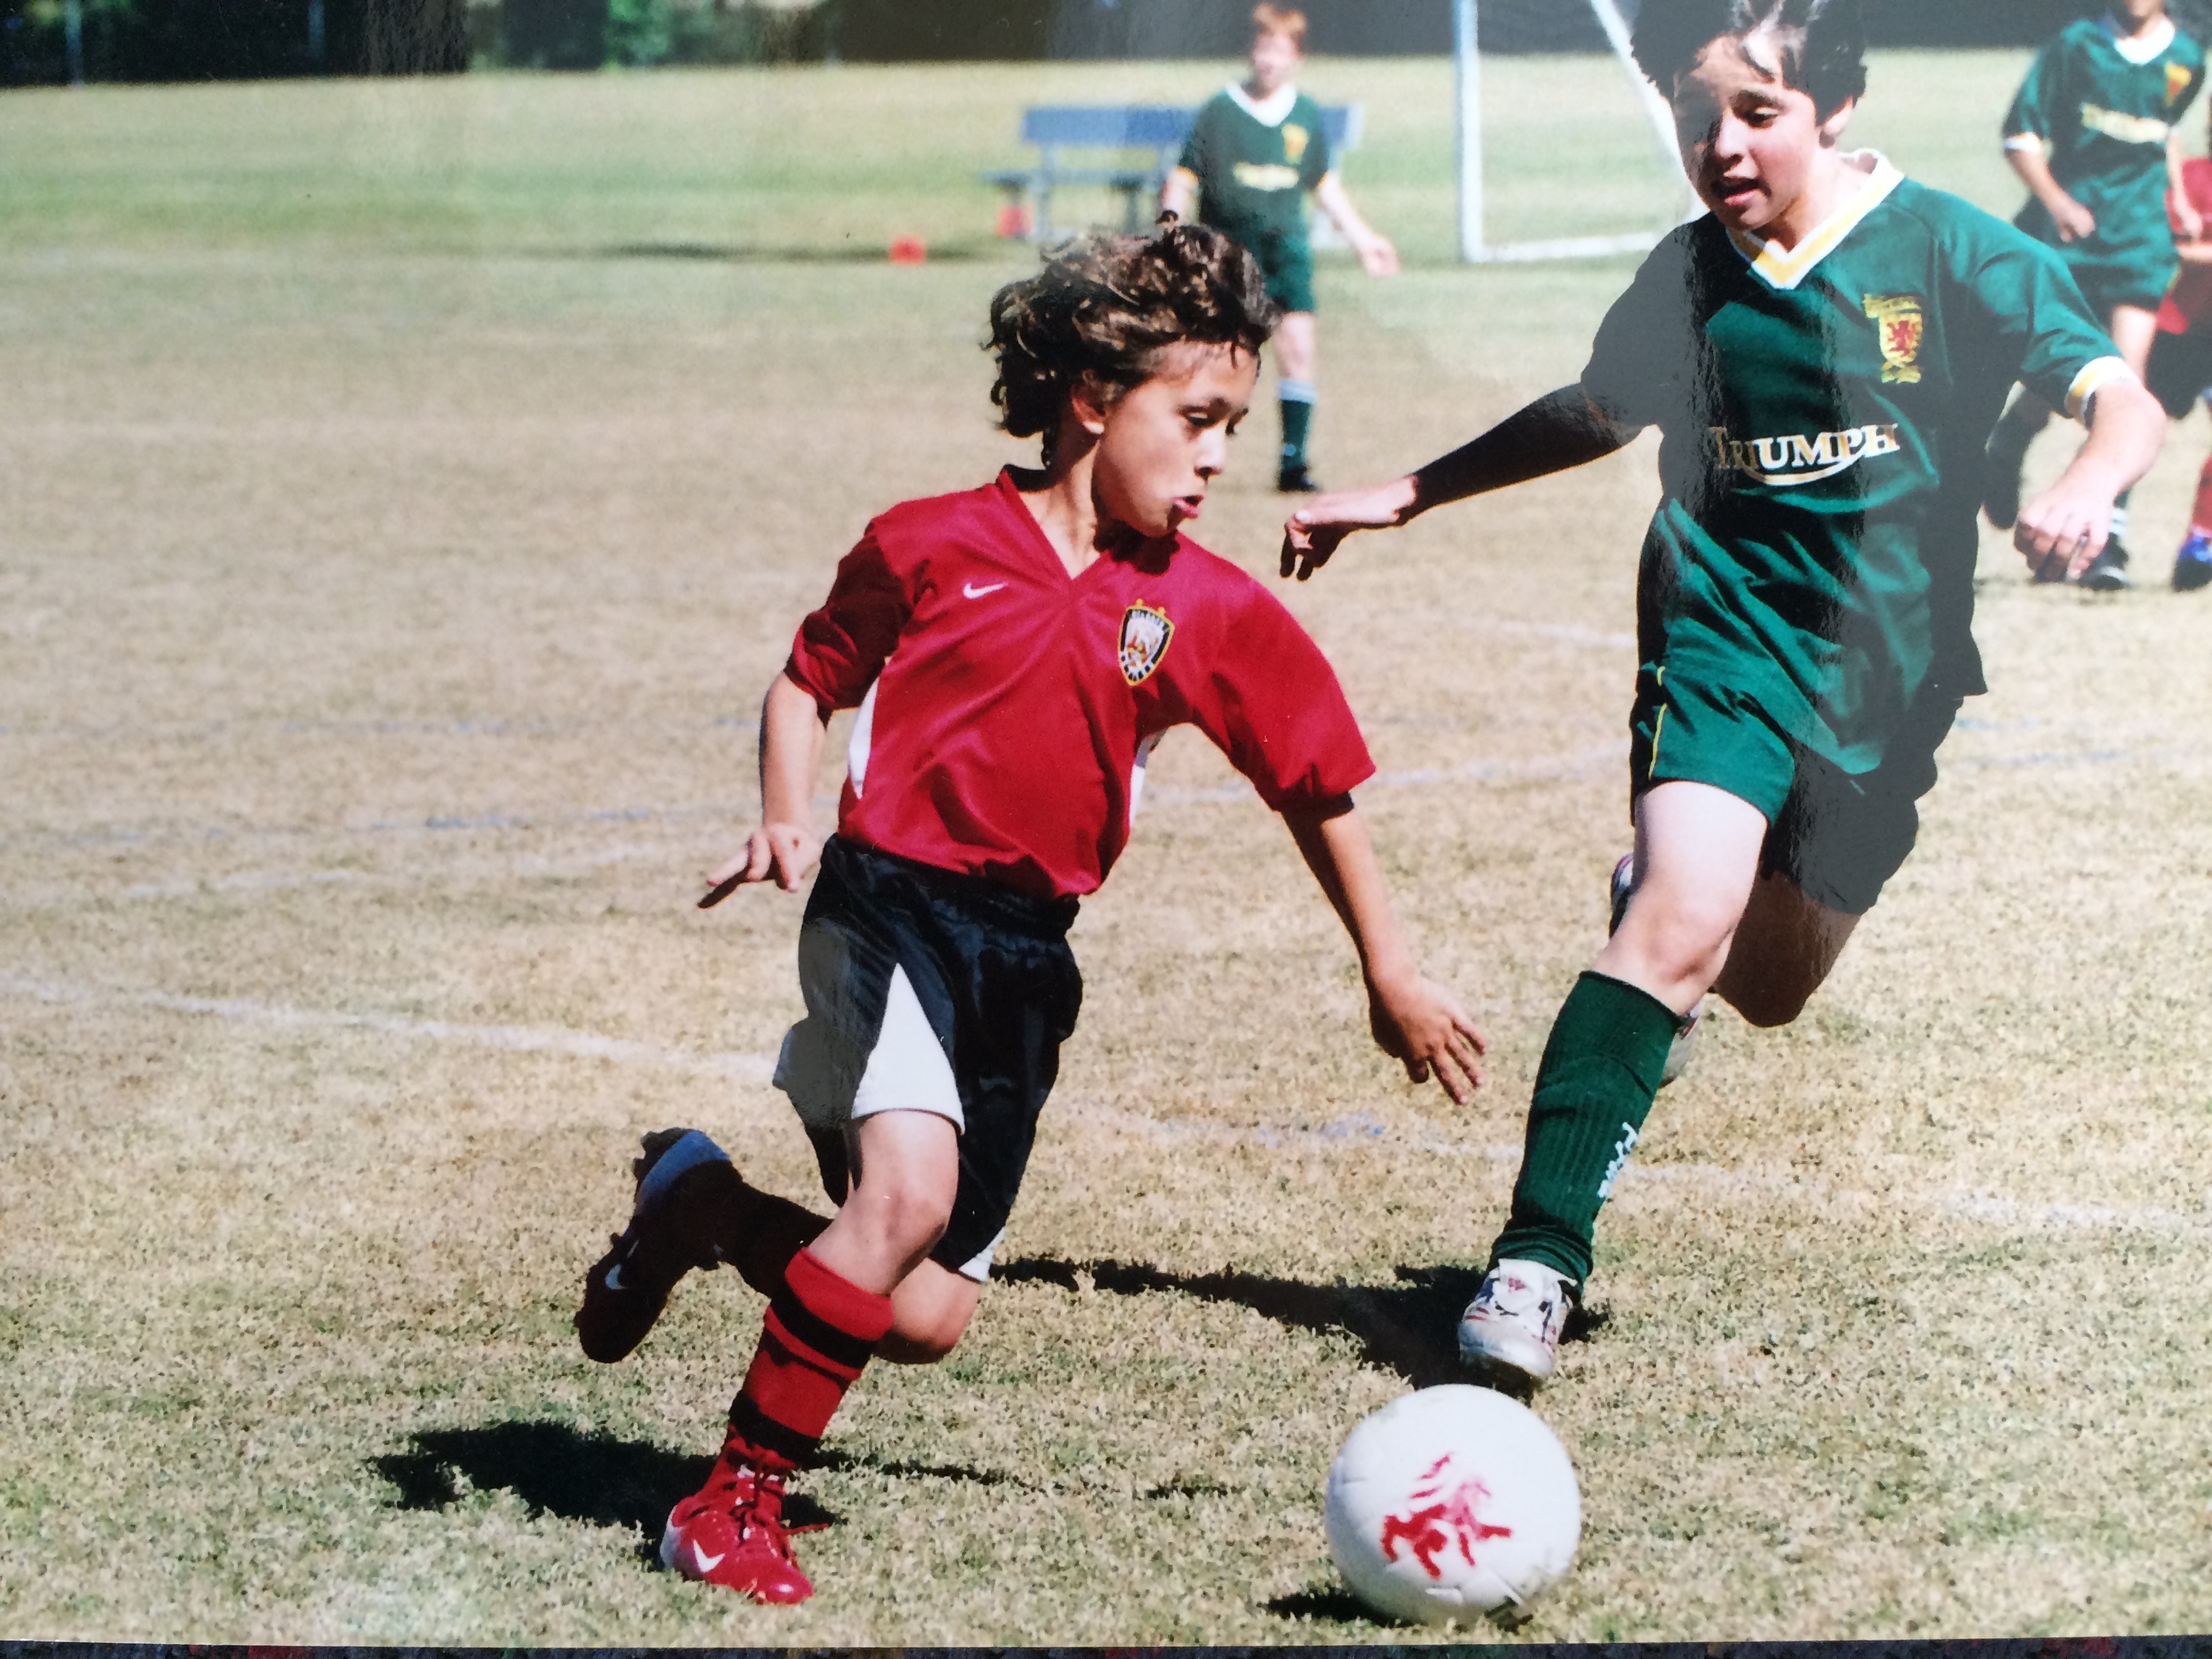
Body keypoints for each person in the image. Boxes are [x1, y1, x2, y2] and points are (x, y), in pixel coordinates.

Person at [571, 220, 1487, 1604]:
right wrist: (784, 812)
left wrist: (1392, 971)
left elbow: (1316, 784)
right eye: (1195, 420)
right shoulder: (929, 543)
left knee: (920, 1313)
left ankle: (698, 1202)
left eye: (1234, 428)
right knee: (904, 1196)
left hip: (1021, 959)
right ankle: (728, 1502)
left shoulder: (1204, 607)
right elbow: (808, 682)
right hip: (885, 913)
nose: (1218, 459)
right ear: (1090, 397)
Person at [1278, 0, 2165, 1391]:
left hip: (1891, 677)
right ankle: (1534, 1265)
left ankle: (1665, 927)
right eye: (1700, 117)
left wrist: (2085, 482)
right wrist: (1405, 492)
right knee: (1678, 928)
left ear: (1834, 110)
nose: (1724, 144)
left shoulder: (1952, 250)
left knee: (1766, 985)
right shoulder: (1689, 273)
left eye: (1759, 113)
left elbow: (2125, 402)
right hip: (1722, 628)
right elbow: (1597, 408)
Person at [1983, 0, 2204, 590]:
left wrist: (2179, 200)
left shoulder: (2187, 56)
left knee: (2127, 383)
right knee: (2062, 374)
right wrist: (2057, 202)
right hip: (2072, 238)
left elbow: (2165, 130)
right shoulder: (2075, 47)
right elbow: (2019, 136)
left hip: (2140, 238)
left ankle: (2107, 542)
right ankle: (2010, 440)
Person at [1160, 3, 1398, 493]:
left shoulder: (1304, 113)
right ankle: (1190, 453)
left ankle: (1293, 463)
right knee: (1213, 360)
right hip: (1226, 258)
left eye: (1279, 51)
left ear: (1297, 58)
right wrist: (1169, 230)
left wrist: (1364, 239)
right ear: (1250, 52)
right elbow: (1182, 178)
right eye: (1262, 49)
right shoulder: (1220, 111)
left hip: (1286, 256)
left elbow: (1324, 185)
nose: (1269, 60)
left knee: (1299, 349)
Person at [2143, 147, 2212, 590]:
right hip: (2180, 331)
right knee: (2139, 429)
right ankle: (2102, 538)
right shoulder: (2193, 176)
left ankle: (2201, 541)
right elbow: (2168, 244)